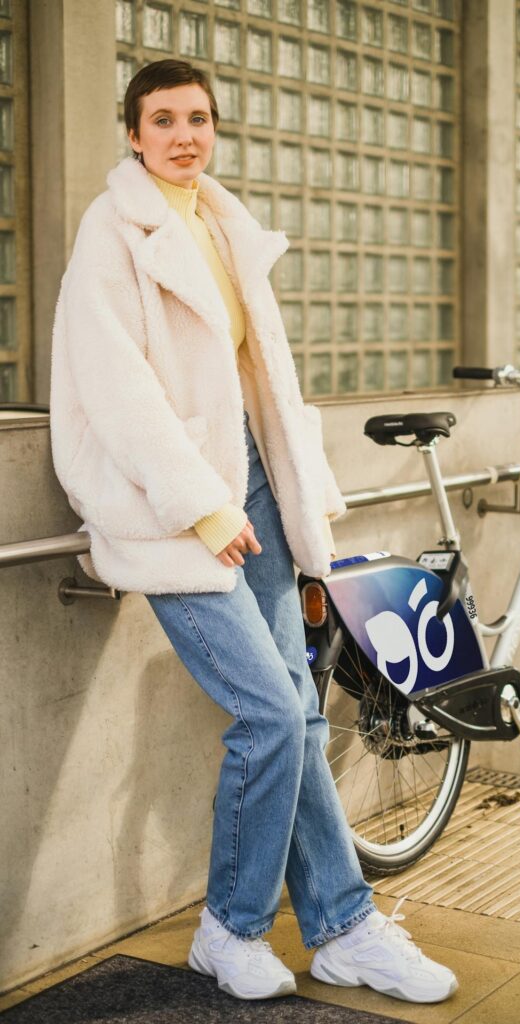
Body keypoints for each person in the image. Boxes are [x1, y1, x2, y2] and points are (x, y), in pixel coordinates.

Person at [49, 58, 457, 1005]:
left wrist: (296, 489)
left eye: (198, 118)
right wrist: (200, 503)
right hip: (175, 507)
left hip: (256, 486)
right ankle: (228, 930)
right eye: (162, 120)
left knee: (303, 714)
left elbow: (260, 378)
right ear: (132, 134)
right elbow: (115, 387)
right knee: (270, 715)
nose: (183, 135)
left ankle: (344, 927)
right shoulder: (112, 230)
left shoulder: (223, 222)